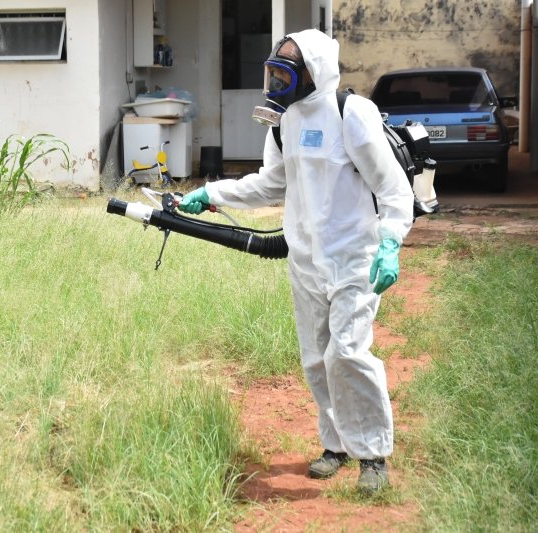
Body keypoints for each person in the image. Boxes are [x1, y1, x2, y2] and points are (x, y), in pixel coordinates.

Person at [179, 29, 414, 493]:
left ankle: (373, 455)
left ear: (316, 70)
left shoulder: (352, 114)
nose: (277, 81)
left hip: (355, 259)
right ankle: (337, 445)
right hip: (305, 260)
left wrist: (390, 242)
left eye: (288, 70)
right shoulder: (283, 123)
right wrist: (212, 192)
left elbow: (393, 190)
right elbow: (270, 184)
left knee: (346, 353)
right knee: (316, 360)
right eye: (274, 71)